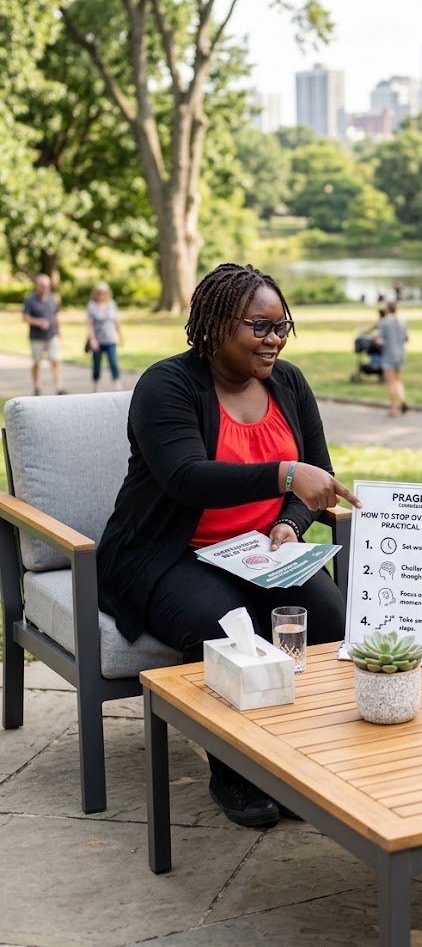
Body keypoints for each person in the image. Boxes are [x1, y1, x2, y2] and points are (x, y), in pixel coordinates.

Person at [97, 263, 361, 829]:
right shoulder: (167, 385)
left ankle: (299, 754)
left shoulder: (289, 383)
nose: (274, 339)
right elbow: (187, 478)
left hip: (261, 551)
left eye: (281, 326)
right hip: (171, 553)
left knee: (330, 617)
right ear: (216, 325)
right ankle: (234, 769)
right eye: (259, 326)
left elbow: (317, 477)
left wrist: (290, 524)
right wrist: (285, 475)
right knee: (224, 626)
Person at [22, 273, 65, 396]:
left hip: (52, 335)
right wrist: (38, 322)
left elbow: (56, 315)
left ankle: (59, 388)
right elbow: (25, 317)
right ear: (37, 286)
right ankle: (36, 387)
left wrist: (59, 331)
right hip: (36, 337)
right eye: (42, 286)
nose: (45, 288)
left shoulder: (52, 298)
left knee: (55, 360)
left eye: (47, 286)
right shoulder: (30, 299)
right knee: (37, 362)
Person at [86, 281, 122, 392]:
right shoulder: (92, 306)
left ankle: (117, 384)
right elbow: (89, 324)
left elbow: (116, 320)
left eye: (103, 292)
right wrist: (92, 339)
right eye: (99, 292)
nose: (101, 294)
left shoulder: (112, 304)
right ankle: (96, 385)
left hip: (111, 339)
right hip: (98, 340)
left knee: (113, 362)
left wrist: (120, 335)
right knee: (97, 364)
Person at [376, 299, 409, 417]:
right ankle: (403, 400)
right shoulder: (402, 322)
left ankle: (393, 408)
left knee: (391, 383)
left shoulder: (384, 322)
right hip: (400, 354)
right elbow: (406, 338)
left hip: (389, 355)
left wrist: (376, 341)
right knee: (398, 380)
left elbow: (380, 340)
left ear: (387, 309)